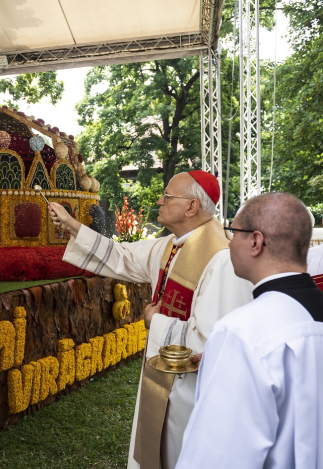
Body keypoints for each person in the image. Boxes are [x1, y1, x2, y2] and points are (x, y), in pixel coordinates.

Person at [49, 170, 253, 469]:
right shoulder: (170, 245)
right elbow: (122, 256)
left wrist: (155, 323)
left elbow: (212, 342)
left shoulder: (221, 259)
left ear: (191, 207)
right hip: (165, 377)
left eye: (168, 196)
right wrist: (72, 226)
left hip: (191, 391)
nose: (160, 200)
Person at [176, 192, 323, 468]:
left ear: (255, 242)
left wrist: (235, 357)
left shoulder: (241, 334)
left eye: (233, 233)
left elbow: (216, 458)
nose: (229, 244)